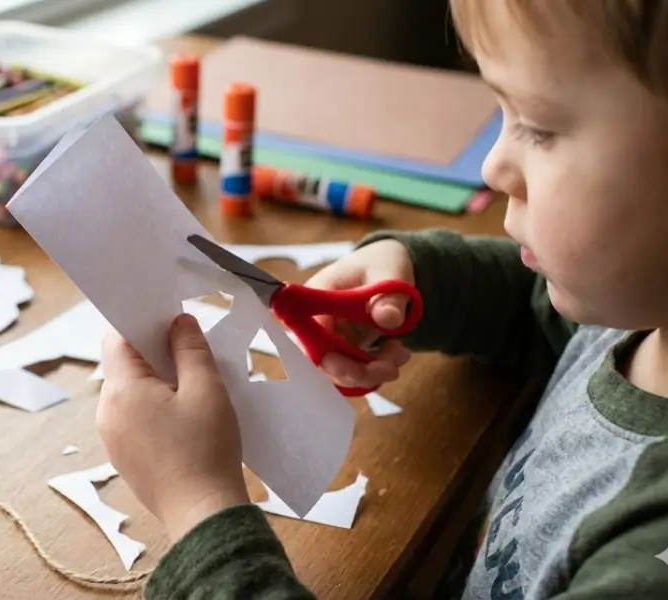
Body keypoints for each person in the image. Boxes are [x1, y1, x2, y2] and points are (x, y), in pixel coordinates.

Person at [96, 1, 668, 598]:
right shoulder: (636, 312)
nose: (496, 165)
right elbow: (541, 317)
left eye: (539, 127)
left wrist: (197, 506)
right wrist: (417, 276)